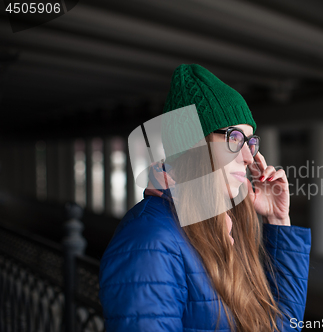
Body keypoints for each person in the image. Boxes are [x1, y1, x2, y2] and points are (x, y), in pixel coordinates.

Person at [98, 64, 311, 332]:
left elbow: (283, 327)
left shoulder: (222, 226)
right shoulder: (149, 242)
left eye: (250, 142)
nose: (247, 157)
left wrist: (278, 221)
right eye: (234, 138)